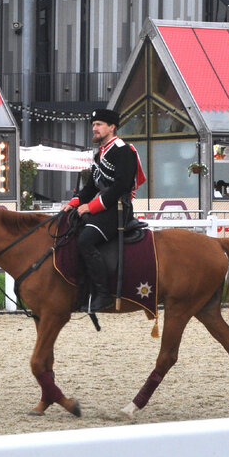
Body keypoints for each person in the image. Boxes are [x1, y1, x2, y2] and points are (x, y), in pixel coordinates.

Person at [60, 108, 145, 313]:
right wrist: (72, 204)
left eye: (98, 125)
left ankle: (104, 294)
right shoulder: (101, 154)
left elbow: (121, 186)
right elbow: (90, 188)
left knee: (86, 240)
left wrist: (91, 206)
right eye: (93, 126)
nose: (94, 129)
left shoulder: (124, 151)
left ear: (112, 127)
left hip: (118, 210)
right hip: (105, 209)